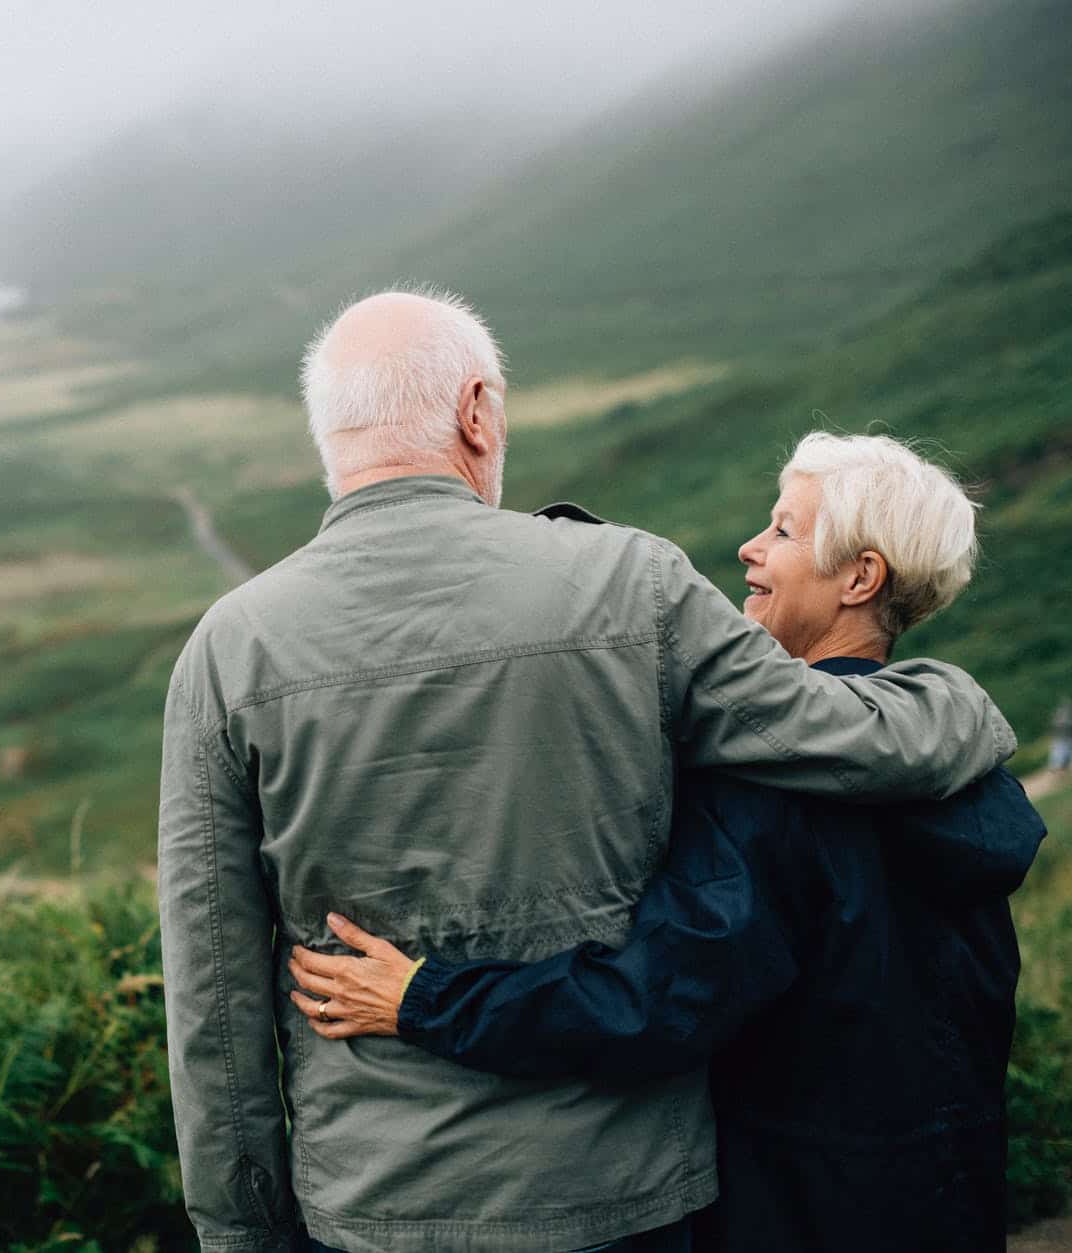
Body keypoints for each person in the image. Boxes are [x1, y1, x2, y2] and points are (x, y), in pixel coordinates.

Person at [157, 289, 1018, 1253]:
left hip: (371, 1203)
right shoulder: (634, 585)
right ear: (477, 410)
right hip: (631, 1197)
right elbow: (848, 738)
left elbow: (214, 999)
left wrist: (242, 1231)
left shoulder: (226, 652)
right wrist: (960, 701)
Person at [1051, 697, 1071, 771]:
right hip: (1060, 739)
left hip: (1065, 739)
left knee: (1063, 752)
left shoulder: (1064, 717)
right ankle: (1058, 767)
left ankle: (1062, 766)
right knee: (1059, 752)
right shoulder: (1060, 716)